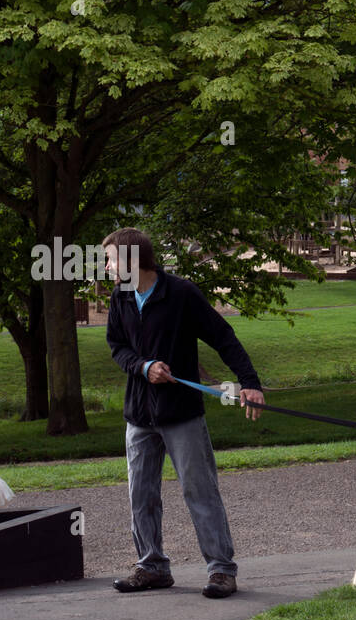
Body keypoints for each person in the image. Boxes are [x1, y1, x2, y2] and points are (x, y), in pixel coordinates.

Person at [103, 227, 265, 598]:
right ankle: (152, 566)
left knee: (199, 490)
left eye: (111, 259)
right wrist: (144, 367)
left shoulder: (181, 293)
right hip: (139, 418)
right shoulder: (120, 297)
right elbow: (117, 347)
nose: (108, 267)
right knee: (141, 494)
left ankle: (222, 571)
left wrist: (250, 383)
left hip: (182, 416)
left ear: (131, 260)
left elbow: (223, 337)